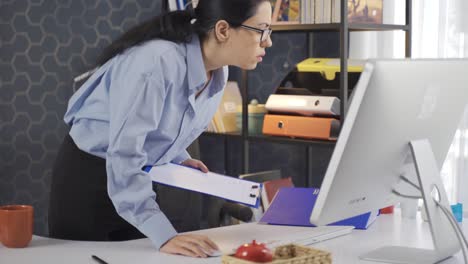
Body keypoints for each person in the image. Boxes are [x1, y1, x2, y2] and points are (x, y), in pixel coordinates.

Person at [48, 0, 273, 258]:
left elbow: (161, 126)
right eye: (262, 30)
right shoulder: (155, 63)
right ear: (223, 30)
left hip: (135, 179)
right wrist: (163, 234)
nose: (268, 42)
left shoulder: (218, 76)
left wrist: (178, 157)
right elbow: (124, 152)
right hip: (90, 180)